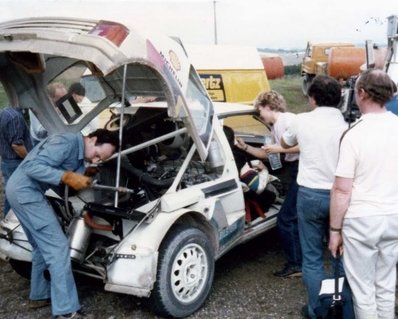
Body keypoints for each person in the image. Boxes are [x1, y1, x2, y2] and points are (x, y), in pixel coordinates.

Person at [5, 128, 119, 319]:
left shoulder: (78, 150)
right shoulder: (65, 142)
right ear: (93, 139)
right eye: (97, 155)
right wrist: (68, 177)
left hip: (19, 191)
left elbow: (69, 179)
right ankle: (66, 311)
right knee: (58, 249)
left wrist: (88, 170)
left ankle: (40, 294)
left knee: (40, 245)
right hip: (26, 193)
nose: (96, 160)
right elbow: (32, 167)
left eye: (101, 159)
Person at [329, 69, 398, 319]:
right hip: (394, 217)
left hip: (362, 220)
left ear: (361, 93)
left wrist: (334, 231)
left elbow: (341, 189)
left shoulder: (354, 134)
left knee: (363, 290)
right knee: (386, 285)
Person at [281, 75, 348, 319]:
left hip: (309, 194)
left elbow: (284, 142)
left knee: (311, 257)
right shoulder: (347, 126)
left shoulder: (301, 121)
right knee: (342, 254)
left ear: (312, 98)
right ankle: (342, 307)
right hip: (340, 195)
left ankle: (316, 310)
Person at [235, 90, 301, 278]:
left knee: (286, 219)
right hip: (293, 169)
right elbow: (268, 154)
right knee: (293, 216)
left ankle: (297, 265)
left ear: (268, 106)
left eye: (260, 109)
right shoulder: (275, 127)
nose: (259, 113)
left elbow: (305, 144)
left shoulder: (288, 120)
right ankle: (299, 261)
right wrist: (245, 147)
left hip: (300, 168)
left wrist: (278, 148)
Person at [223, 125, 276, 219]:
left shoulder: (201, 160)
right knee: (271, 195)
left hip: (225, 200)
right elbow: (257, 187)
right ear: (232, 141)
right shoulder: (239, 157)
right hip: (242, 199)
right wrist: (264, 169)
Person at [0, 106, 33, 217]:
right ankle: (9, 226)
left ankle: (7, 224)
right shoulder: (15, 117)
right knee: (16, 196)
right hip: (16, 162)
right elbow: (17, 145)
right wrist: (31, 160)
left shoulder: (6, 112)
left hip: (7, 161)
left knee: (11, 194)